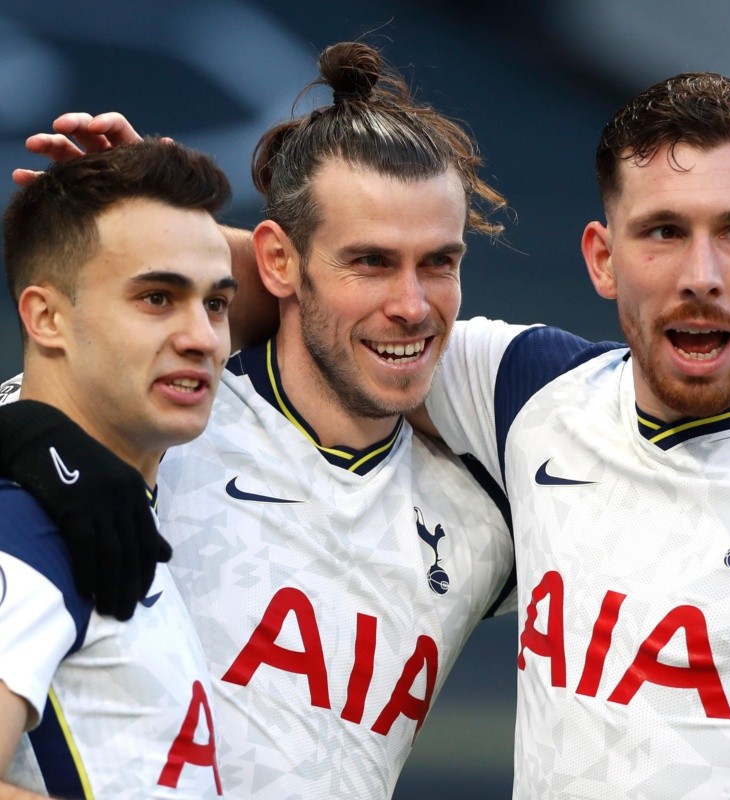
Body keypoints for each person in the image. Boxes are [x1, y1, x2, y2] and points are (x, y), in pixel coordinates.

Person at [1, 42, 516, 798]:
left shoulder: (493, 501)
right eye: (369, 261)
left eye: (439, 262)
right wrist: (144, 236)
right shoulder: (145, 426)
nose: (411, 303)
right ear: (277, 261)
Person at [417, 72, 730, 797]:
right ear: (601, 257)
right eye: (664, 231)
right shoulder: (524, 389)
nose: (702, 274)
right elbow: (317, 299)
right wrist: (137, 199)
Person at [0, 139, 236, 797]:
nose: (203, 338)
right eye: (157, 298)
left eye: (216, 304)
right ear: (46, 317)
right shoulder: (27, 532)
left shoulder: (102, 501)